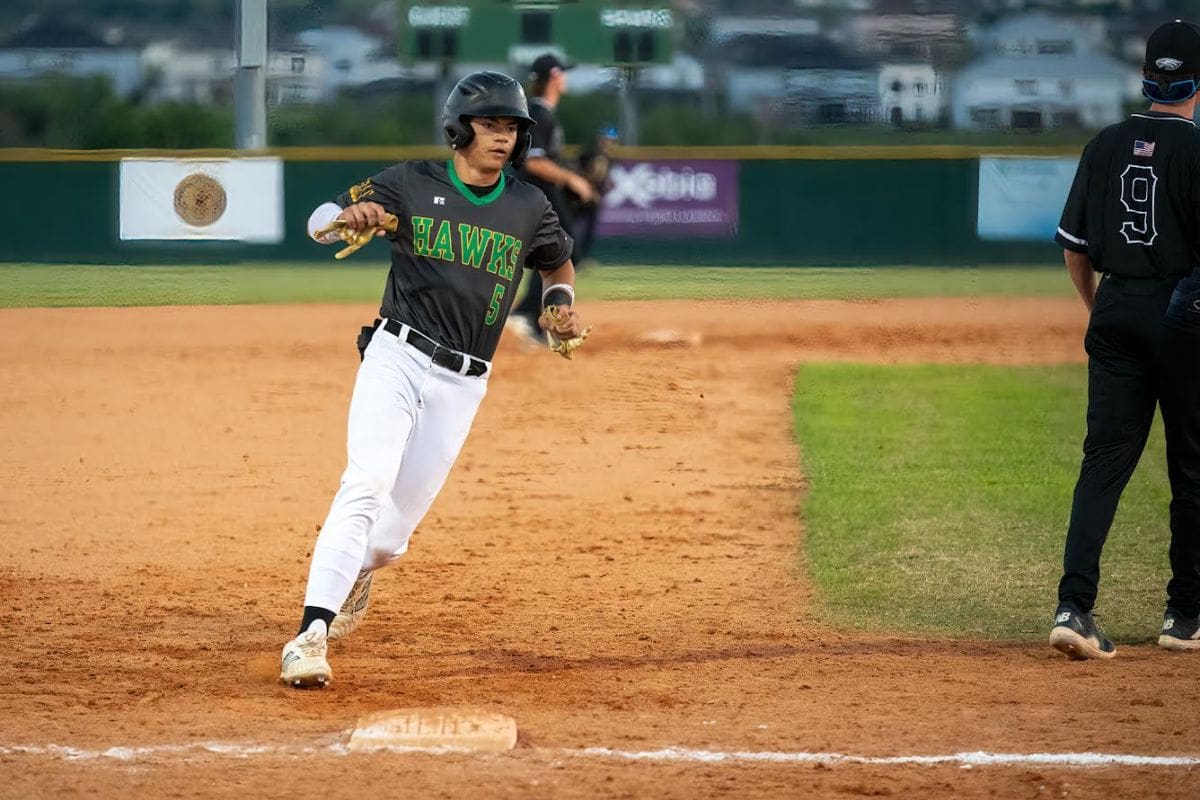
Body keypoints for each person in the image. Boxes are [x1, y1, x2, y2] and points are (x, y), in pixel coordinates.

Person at [280, 71, 584, 688]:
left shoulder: (529, 205)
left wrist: (558, 304)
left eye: (512, 128)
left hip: (465, 382)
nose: (503, 138)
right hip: (396, 355)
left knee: (389, 541)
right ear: (458, 128)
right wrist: (349, 214)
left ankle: (356, 571)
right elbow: (318, 222)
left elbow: (556, 263)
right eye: (491, 124)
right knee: (364, 482)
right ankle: (310, 636)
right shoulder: (409, 182)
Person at [1049, 19, 1200, 660]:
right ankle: (1184, 617)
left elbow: (1075, 252)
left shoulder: (1105, 144)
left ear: (1147, 78)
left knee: (1102, 463)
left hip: (1113, 308)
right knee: (1191, 467)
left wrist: (1101, 311)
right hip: (1182, 314)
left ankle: (1073, 606)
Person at [507, 53, 595, 344]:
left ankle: (526, 314)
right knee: (565, 253)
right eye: (563, 74)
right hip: (537, 195)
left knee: (556, 254)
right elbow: (532, 162)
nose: (566, 79)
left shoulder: (541, 113)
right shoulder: (538, 114)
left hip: (540, 195)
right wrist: (571, 179)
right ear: (555, 77)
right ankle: (528, 316)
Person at [570, 126, 619, 264]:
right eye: (606, 139)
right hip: (579, 196)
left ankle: (581, 258)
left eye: (611, 140)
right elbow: (575, 168)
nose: (608, 142)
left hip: (594, 198)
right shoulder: (589, 153)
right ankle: (568, 255)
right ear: (600, 139)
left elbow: (602, 179)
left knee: (589, 230)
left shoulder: (609, 158)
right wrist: (585, 184)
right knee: (569, 226)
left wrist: (607, 184)